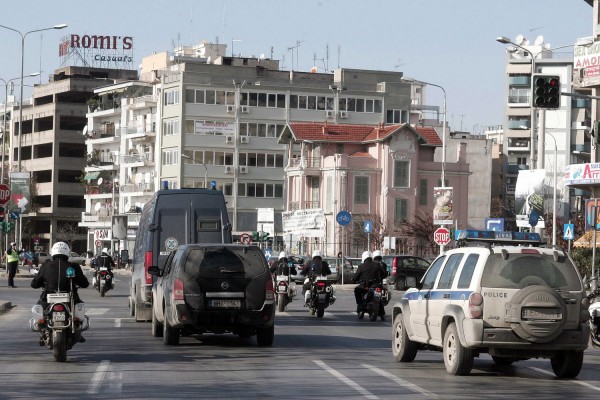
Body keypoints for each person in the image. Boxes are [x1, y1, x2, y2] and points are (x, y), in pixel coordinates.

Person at [31, 242, 90, 342]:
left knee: (40, 311)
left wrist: (40, 282)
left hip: (49, 298)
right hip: (70, 298)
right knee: (79, 310)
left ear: (53, 252)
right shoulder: (74, 266)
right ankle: (77, 330)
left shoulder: (46, 266)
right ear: (67, 252)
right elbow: (84, 283)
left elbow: (34, 284)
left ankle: (43, 332)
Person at [352, 250, 387, 316]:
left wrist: (353, 279)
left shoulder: (361, 266)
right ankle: (382, 313)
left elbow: (355, 277)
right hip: (376, 285)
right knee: (379, 298)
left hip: (365, 286)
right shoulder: (378, 265)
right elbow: (384, 274)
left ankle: (360, 305)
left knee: (357, 290)